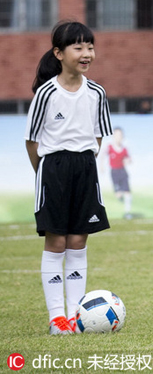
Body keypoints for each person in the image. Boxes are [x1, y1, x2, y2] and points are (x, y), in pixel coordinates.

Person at [25, 21, 113, 335]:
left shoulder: (97, 92)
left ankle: (76, 315)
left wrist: (84, 164)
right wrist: (45, 175)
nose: (86, 53)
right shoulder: (46, 93)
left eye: (90, 47)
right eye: (78, 47)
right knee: (56, 242)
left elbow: (99, 137)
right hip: (53, 169)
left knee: (77, 241)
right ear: (59, 53)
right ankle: (56, 317)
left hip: (85, 167)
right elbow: (32, 141)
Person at [102, 127, 134, 219]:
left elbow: (129, 159)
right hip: (114, 173)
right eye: (116, 135)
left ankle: (127, 212)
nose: (118, 137)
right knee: (118, 194)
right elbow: (103, 156)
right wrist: (101, 167)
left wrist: (128, 161)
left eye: (120, 135)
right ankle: (120, 196)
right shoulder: (110, 147)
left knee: (127, 192)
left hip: (123, 172)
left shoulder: (124, 149)